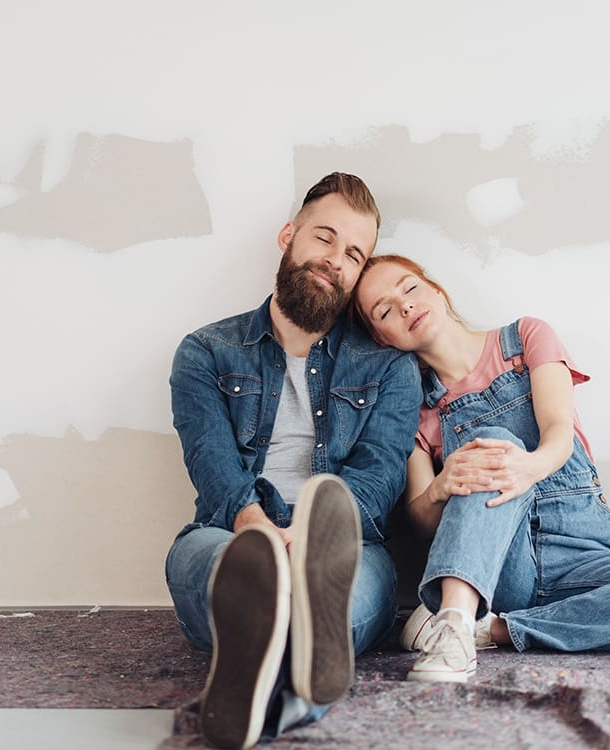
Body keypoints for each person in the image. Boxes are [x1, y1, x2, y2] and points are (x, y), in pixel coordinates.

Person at [353, 254, 610, 684]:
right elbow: (420, 520)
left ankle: (491, 629)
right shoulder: (416, 409)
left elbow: (558, 434)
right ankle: (453, 620)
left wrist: (525, 467)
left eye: (409, 288)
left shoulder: (526, 337)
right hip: (506, 570)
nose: (404, 306)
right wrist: (442, 485)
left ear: (435, 290)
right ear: (383, 339)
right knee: (491, 446)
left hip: (585, 554)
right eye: (384, 310)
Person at [165, 174, 421, 748]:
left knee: (326, 596)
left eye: (353, 254)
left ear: (358, 275)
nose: (334, 260)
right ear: (289, 236)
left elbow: (378, 479)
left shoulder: (389, 367)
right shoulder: (205, 352)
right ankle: (289, 646)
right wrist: (261, 533)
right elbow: (215, 472)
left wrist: (307, 537)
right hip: (230, 539)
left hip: (343, 548)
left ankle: (257, 686)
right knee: (224, 570)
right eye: (324, 239)